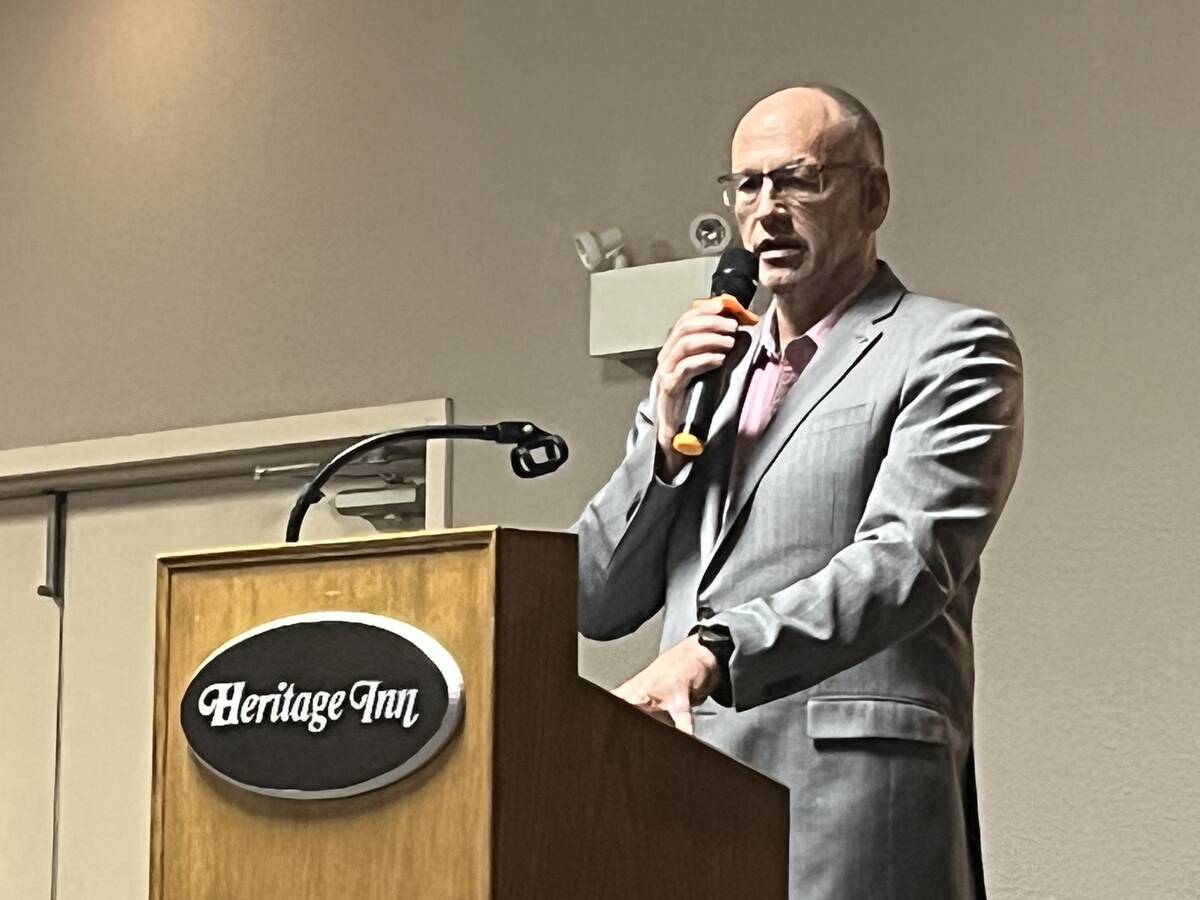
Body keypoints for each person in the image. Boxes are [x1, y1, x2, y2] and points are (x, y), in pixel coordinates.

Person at [573, 85, 1023, 900]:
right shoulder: (704, 375)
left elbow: (906, 562)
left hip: (853, 802)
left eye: (799, 180)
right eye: (748, 185)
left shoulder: (952, 350)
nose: (768, 210)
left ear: (872, 195)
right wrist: (665, 439)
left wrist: (717, 649)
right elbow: (596, 599)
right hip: (687, 796)